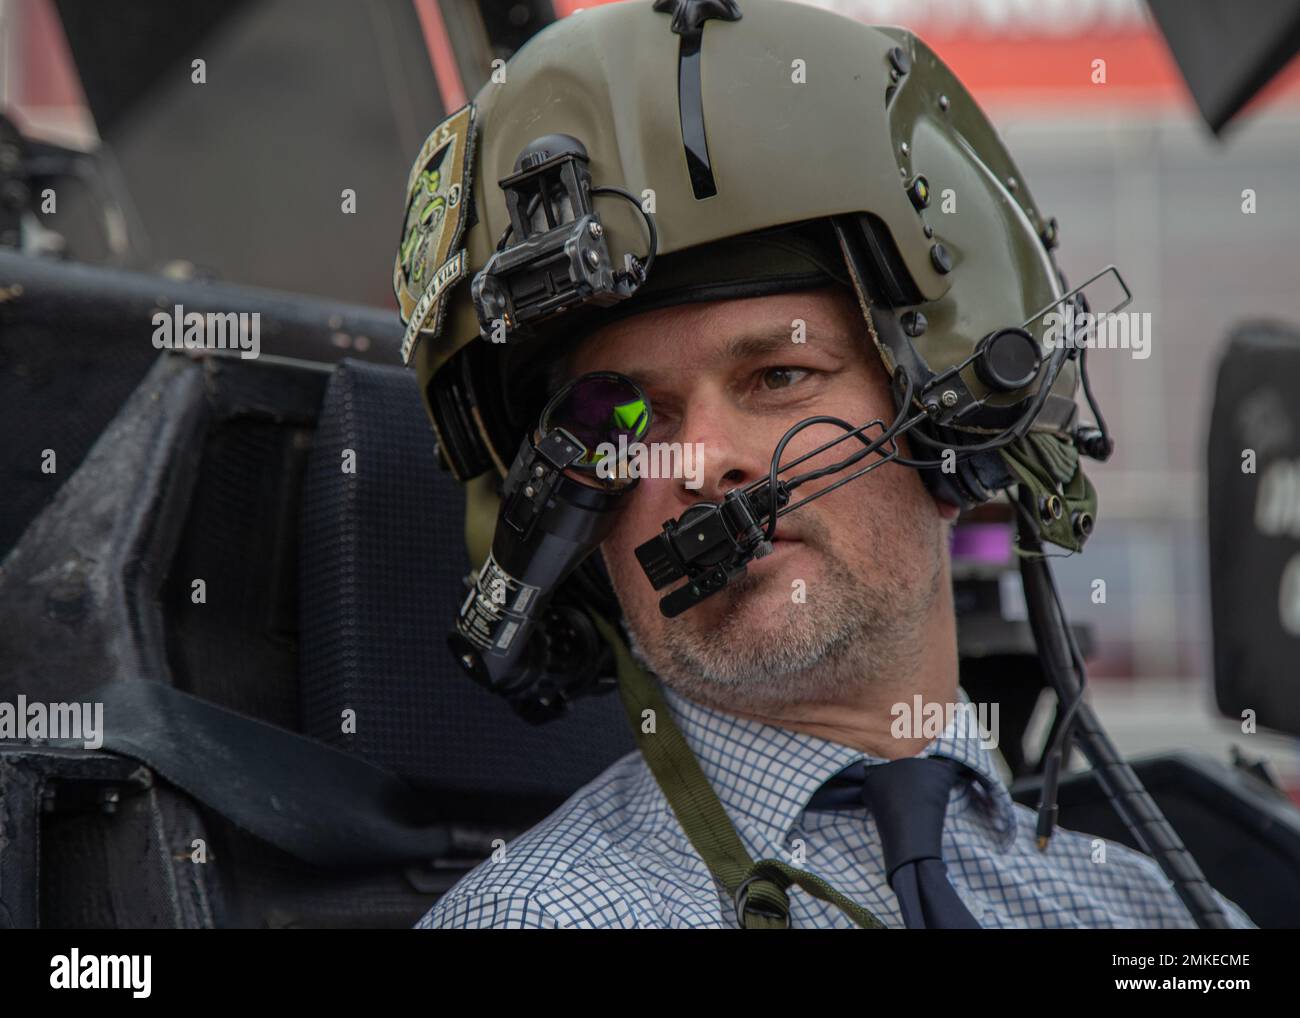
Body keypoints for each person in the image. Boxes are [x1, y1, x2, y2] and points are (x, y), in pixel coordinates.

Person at [394, 0, 1255, 928]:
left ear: (955, 423)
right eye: (629, 414)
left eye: (779, 375)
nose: (706, 459)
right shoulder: (539, 921)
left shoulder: (1152, 917)